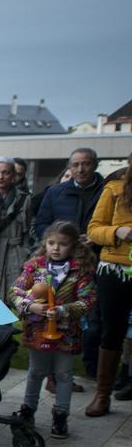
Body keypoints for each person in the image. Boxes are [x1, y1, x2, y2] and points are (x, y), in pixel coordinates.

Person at [9, 221, 96, 439]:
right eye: (51, 243)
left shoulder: (80, 269)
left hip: (66, 332)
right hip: (37, 329)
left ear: (73, 246)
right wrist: (30, 306)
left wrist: (63, 310)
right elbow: (14, 291)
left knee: (63, 374)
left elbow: (88, 301)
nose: (56, 248)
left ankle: (60, 415)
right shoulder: (35, 266)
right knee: (36, 371)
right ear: (45, 244)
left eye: (62, 244)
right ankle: (28, 410)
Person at [34, 147, 107, 383]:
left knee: (93, 319)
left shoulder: (106, 191)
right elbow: (41, 223)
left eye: (85, 164)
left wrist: (94, 238)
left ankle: (92, 371)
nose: (80, 169)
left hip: (95, 261)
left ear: (94, 164)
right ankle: (56, 376)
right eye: (75, 165)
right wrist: (57, 241)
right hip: (59, 265)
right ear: (69, 167)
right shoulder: (56, 192)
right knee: (56, 314)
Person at [85, 157, 132, 417]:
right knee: (111, 330)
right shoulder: (114, 188)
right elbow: (93, 230)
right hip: (115, 268)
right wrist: (117, 232)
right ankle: (103, 395)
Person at [0, 157, 35, 294]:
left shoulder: (25, 199)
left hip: (15, 251)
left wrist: (27, 253)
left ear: (14, 175)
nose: (1, 177)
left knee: (14, 292)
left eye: (5, 173)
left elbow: (30, 230)